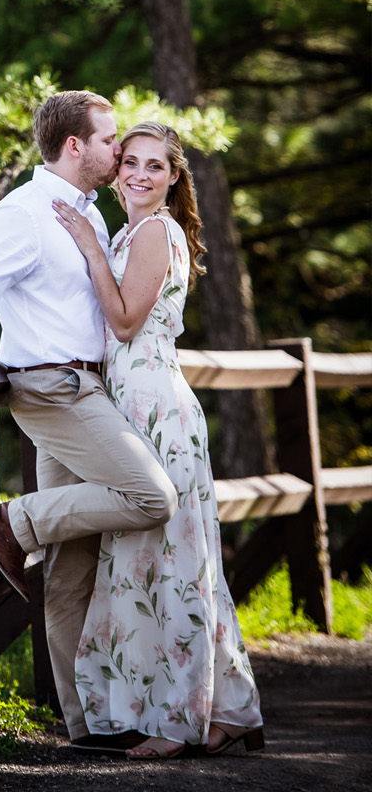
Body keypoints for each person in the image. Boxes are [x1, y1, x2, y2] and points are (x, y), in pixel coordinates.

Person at [0, 90, 179, 747]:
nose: (118, 153)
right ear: (75, 146)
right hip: (53, 389)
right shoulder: (23, 213)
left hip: (85, 386)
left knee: (70, 572)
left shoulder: (92, 214)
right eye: (109, 142)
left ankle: (87, 724)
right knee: (151, 496)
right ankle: (14, 520)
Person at [52, 122, 264, 758]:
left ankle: (178, 721)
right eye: (130, 163)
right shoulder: (134, 230)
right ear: (116, 171)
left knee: (166, 560)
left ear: (174, 178)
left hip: (155, 407)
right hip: (136, 400)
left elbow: (122, 323)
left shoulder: (150, 232)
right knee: (171, 559)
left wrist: (89, 247)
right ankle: (226, 710)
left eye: (154, 166)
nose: (139, 174)